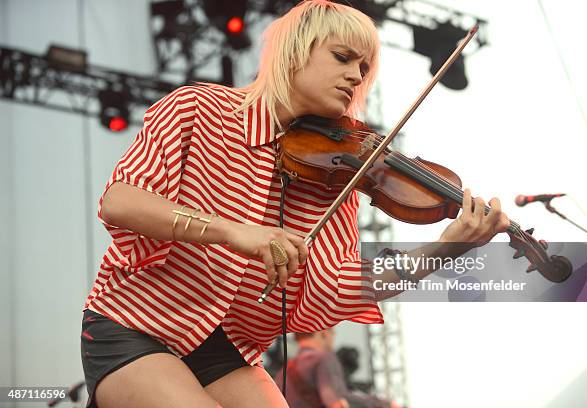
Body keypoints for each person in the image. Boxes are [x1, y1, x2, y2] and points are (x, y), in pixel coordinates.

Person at [80, 1, 510, 408]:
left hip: (222, 347)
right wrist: (233, 230)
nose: (356, 76)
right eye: (343, 57)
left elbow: (341, 285)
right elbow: (121, 201)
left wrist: (445, 249)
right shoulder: (198, 109)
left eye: (364, 68)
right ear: (293, 53)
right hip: (134, 323)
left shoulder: (336, 173)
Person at [275, 329, 398, 408]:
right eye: (332, 331)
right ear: (322, 333)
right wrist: (384, 405)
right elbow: (337, 401)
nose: (334, 335)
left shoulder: (282, 372)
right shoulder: (324, 359)